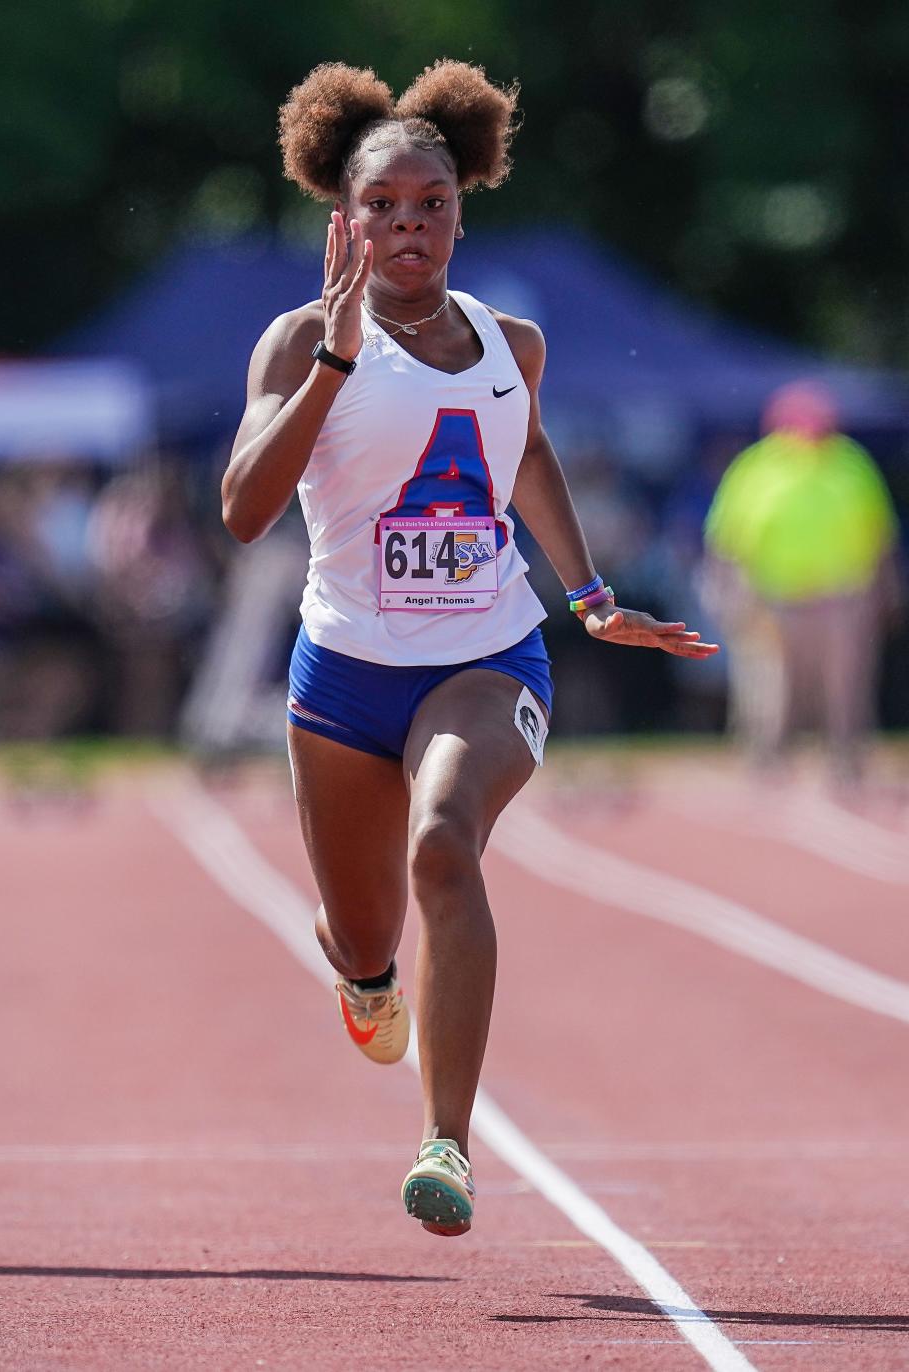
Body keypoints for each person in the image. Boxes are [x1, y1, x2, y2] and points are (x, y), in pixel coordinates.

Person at [222, 59, 718, 1237]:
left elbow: (525, 452)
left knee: (445, 846)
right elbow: (243, 509)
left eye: (430, 204)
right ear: (343, 220)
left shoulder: (514, 341)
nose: (408, 226)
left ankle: (446, 1140)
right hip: (342, 675)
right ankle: (361, 969)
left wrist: (589, 594)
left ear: (462, 207)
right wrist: (339, 356)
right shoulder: (297, 343)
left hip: (489, 656)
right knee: (365, 932)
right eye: (383, 207)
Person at [703, 381, 902, 783]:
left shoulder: (850, 462)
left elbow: (881, 534)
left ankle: (847, 764)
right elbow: (725, 539)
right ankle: (767, 763)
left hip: (841, 596)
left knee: (846, 687)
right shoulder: (756, 468)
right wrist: (728, 594)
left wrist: (887, 590)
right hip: (775, 597)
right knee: (771, 688)